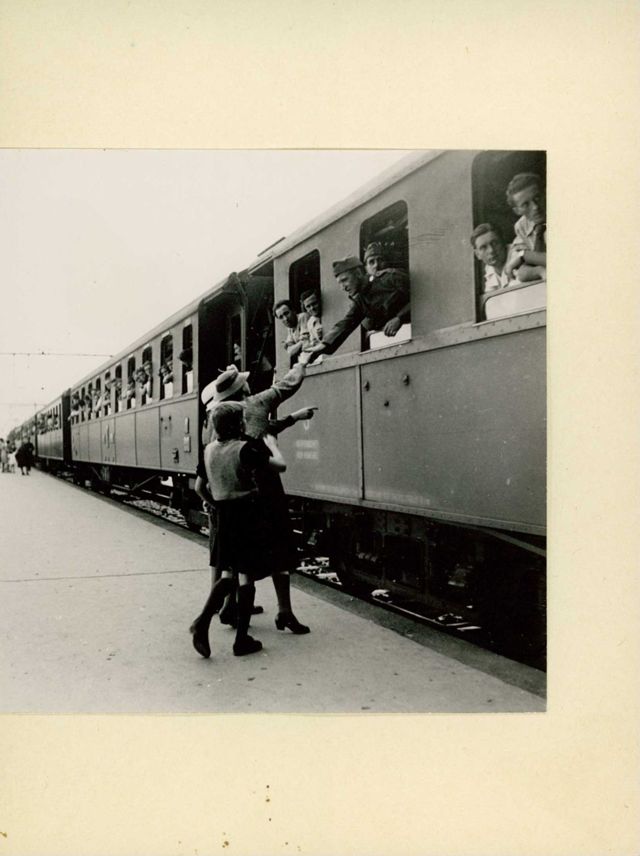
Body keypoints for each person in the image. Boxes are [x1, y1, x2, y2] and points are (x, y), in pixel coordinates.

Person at [196, 351, 314, 637]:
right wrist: (302, 362)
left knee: (233, 557)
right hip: (264, 488)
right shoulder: (257, 402)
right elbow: (288, 385)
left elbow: (259, 429)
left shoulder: (216, 416)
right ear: (243, 388)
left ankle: (229, 606)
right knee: (279, 550)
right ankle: (284, 611)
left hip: (224, 494)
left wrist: (213, 501)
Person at [190, 403, 288, 658]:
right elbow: (280, 466)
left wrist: (215, 504)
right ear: (239, 424)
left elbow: (199, 488)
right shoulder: (245, 449)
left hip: (224, 517)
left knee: (227, 575)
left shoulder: (209, 450)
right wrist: (273, 445)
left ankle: (202, 622)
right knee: (246, 577)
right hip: (247, 516)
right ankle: (241, 640)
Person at [305, 256, 410, 356]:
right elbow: (346, 323)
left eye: (344, 280)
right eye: (339, 283)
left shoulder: (391, 278)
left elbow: (418, 294)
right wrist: (324, 344)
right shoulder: (360, 300)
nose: (343, 287)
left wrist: (399, 318)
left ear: (358, 273)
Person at [504, 173, 547, 283]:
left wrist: (524, 255)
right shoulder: (522, 226)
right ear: (517, 211)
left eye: (537, 198)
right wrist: (539, 271)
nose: (535, 207)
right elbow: (519, 272)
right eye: (525, 204)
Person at [470, 223, 511, 291]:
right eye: (483, 247)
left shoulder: (516, 254)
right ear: (477, 255)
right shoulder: (489, 269)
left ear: (503, 241)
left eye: (494, 243)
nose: (491, 250)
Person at [274, 298, 310, 363]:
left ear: (293, 310)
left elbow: (305, 343)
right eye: (281, 317)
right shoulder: (290, 327)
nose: (285, 319)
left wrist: (295, 346)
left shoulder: (303, 317)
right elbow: (290, 351)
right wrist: (298, 344)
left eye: (286, 313)